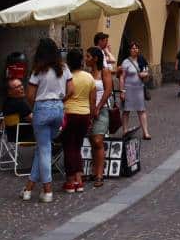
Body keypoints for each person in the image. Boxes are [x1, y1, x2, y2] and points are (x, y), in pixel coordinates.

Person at [22, 38, 73, 202]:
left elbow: (29, 95)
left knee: (44, 149)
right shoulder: (63, 68)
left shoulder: (38, 70)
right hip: (58, 108)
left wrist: (36, 106)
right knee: (43, 148)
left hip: (42, 108)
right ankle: (28, 188)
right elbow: (71, 90)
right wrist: (60, 101)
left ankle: (47, 190)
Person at [60, 48, 95, 193]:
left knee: (69, 147)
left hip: (69, 113)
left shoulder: (66, 77)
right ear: (81, 61)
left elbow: (63, 95)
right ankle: (79, 180)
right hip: (84, 114)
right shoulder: (89, 77)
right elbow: (92, 101)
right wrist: (91, 117)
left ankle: (70, 181)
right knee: (78, 147)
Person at [85, 46, 113, 187]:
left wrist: (99, 106)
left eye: (88, 57)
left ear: (95, 58)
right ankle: (94, 170)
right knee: (92, 142)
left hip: (102, 110)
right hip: (89, 111)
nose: (86, 59)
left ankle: (100, 174)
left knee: (98, 141)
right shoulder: (88, 74)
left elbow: (108, 90)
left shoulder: (105, 71)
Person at [119, 42, 151, 139]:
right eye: (133, 48)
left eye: (136, 48)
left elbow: (147, 73)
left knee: (141, 110)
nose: (135, 50)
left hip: (139, 89)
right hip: (128, 89)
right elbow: (122, 77)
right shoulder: (126, 62)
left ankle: (145, 132)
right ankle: (125, 130)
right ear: (129, 50)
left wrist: (145, 74)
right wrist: (122, 91)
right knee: (126, 111)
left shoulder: (142, 60)